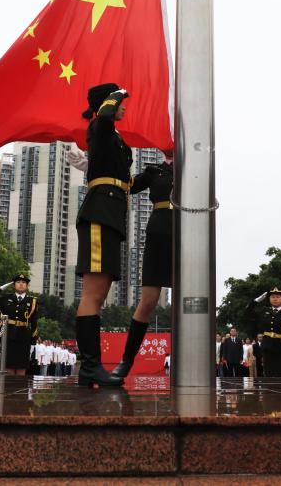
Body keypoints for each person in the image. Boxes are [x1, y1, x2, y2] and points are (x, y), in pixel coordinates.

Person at [70, 146, 175, 379]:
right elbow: (127, 184)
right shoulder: (153, 170)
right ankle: (126, 361)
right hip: (158, 233)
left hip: (187, 232)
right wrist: (93, 167)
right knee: (148, 301)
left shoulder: (193, 169)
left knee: (188, 302)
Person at [73, 83, 131, 387]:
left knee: (100, 293)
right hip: (99, 213)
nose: (124, 107)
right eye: (120, 102)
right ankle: (90, 367)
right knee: (93, 294)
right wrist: (117, 93)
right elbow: (105, 116)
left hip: (111, 215)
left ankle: (90, 369)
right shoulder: (100, 125)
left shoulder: (111, 136)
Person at [0, 274, 38, 375]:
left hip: (24, 335)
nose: (21, 284)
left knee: (22, 366)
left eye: (23, 282)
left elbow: (34, 320)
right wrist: (0, 289)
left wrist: (33, 339)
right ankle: (8, 385)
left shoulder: (32, 301)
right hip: (8, 334)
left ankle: (20, 385)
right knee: (8, 365)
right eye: (18, 282)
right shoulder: (5, 299)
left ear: (27, 286)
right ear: (13, 285)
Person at [250, 288, 281, 377]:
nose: (275, 299)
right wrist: (255, 301)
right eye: (272, 297)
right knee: (268, 372)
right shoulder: (264, 311)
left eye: (278, 297)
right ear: (269, 299)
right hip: (267, 346)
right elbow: (247, 313)